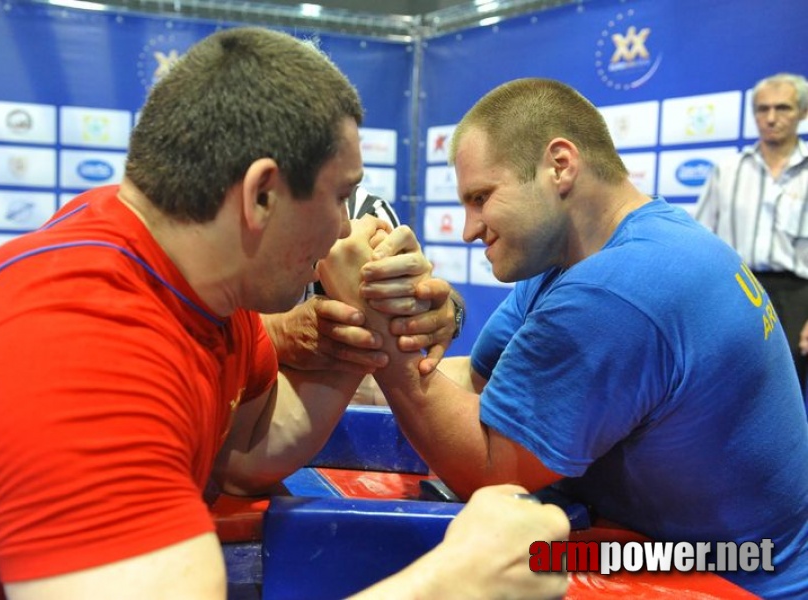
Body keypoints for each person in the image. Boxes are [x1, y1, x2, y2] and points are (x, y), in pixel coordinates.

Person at [0, 29, 570, 599]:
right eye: (342, 197)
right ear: (261, 195)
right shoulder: (81, 355)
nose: (347, 225)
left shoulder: (184, 273)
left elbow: (245, 449)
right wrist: (461, 578)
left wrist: (355, 332)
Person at [319, 77, 808, 598]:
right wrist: (368, 341)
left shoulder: (620, 289)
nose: (468, 229)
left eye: (481, 198)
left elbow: (486, 470)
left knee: (496, 562)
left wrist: (379, 330)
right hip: (669, 545)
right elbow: (482, 382)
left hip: (732, 572)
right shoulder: (577, 256)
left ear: (559, 165)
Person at [262, 185, 467, 406]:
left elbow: (418, 301)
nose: (344, 229)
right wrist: (275, 334)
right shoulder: (239, 218)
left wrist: (447, 308)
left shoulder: (367, 213)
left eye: (343, 194)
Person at [694, 73, 808, 392]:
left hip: (799, 298)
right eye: (762, 109)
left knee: (788, 396)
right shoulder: (726, 171)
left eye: (782, 108)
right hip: (736, 290)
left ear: (803, 112)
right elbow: (700, 239)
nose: (770, 118)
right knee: (730, 390)